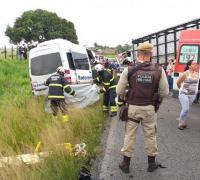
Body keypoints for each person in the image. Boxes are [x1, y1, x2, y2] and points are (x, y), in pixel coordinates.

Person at [116, 42, 169, 173]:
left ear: (138, 54)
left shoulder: (129, 69)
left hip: (133, 108)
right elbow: (165, 92)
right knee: (150, 135)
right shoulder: (159, 70)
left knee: (129, 135)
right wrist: (157, 100)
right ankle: (151, 164)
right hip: (149, 109)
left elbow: (119, 90)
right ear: (150, 55)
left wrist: (124, 98)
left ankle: (125, 164)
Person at [176, 60, 199, 130]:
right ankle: (180, 123)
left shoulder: (197, 74)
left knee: (186, 109)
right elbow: (178, 82)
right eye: (194, 64)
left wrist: (196, 92)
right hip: (184, 93)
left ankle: (183, 121)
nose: (196, 65)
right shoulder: (185, 74)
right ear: (189, 66)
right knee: (185, 108)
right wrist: (181, 90)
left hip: (192, 94)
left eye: (196, 64)